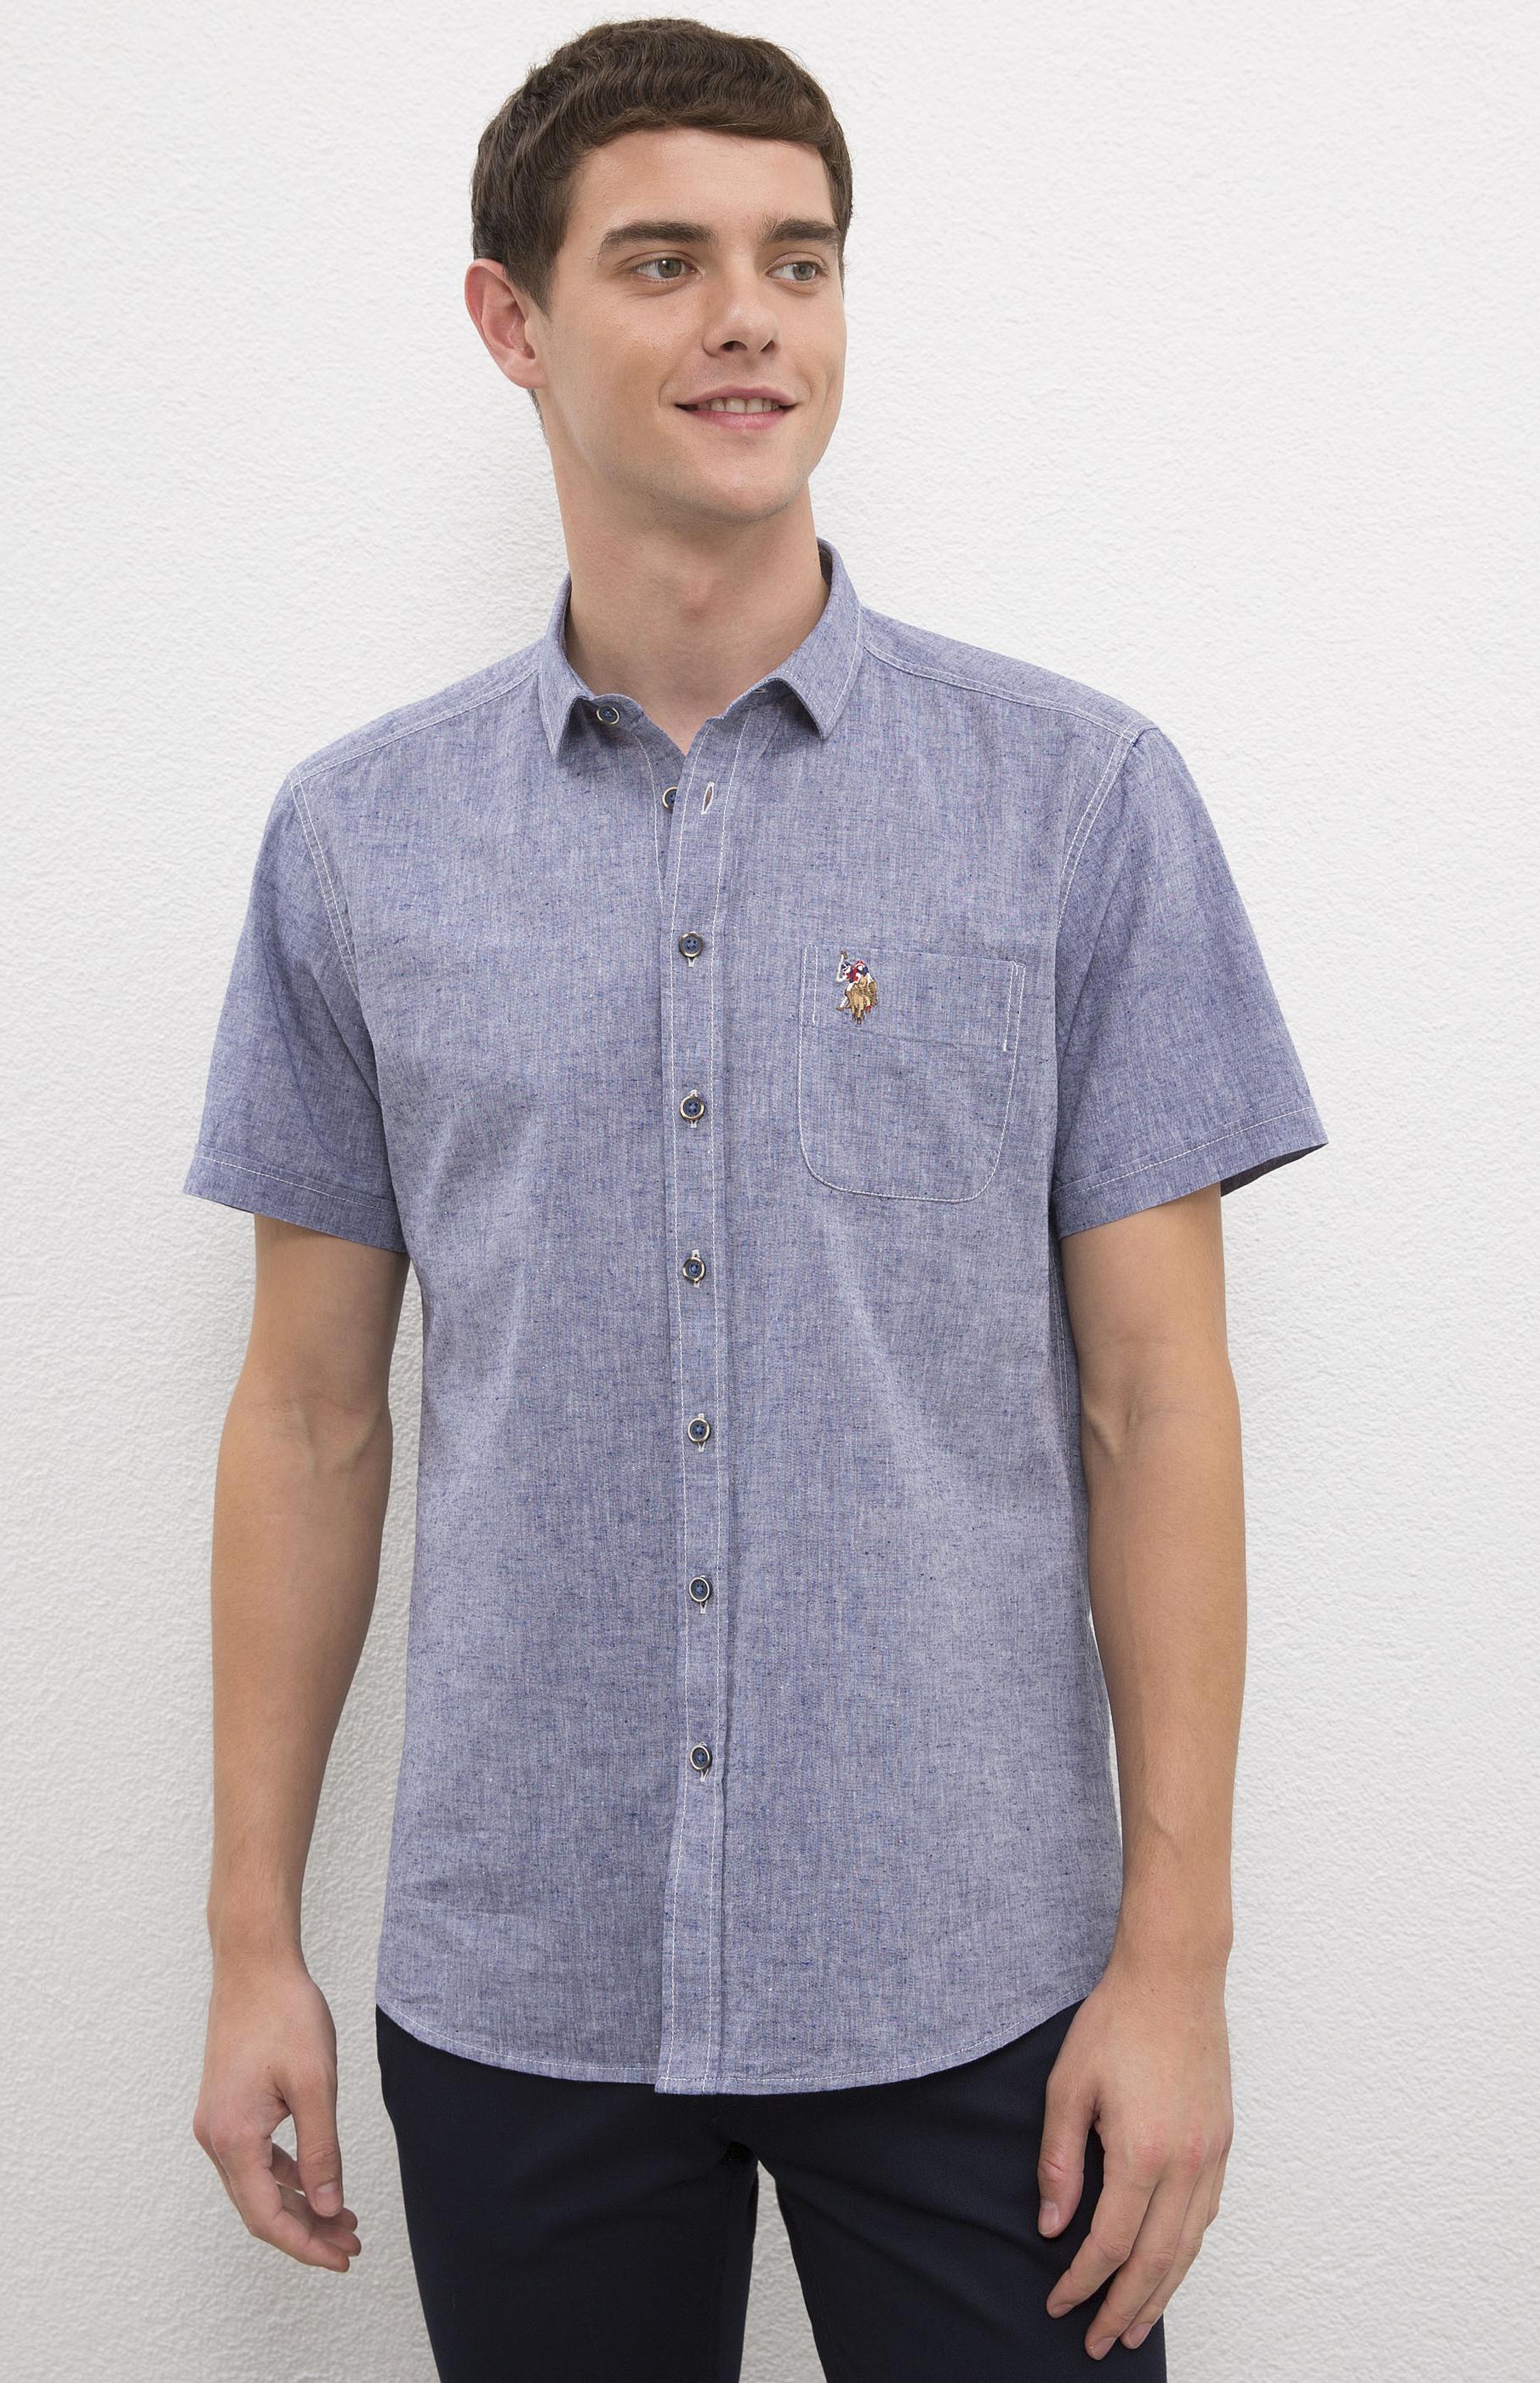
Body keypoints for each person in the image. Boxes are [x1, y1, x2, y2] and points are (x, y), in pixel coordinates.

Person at [185, 19, 1328, 2379]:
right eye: (665, 261)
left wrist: (1177, 1967)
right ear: (510, 320)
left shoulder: (1077, 803)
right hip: (525, 1977)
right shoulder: (358, 843)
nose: (751, 320)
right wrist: (248, 1940)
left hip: (978, 1981)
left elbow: (1156, 1404)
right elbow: (307, 1417)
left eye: (798, 261)